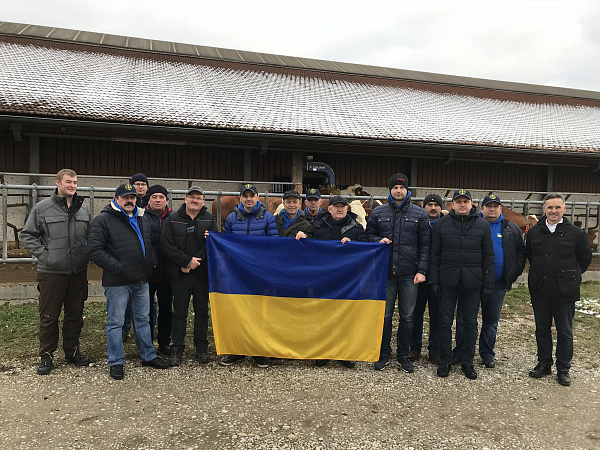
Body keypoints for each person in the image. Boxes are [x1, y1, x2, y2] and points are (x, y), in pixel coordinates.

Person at [87, 183, 169, 380]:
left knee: (143, 320)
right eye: (125, 197)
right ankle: (116, 361)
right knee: (115, 323)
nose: (130, 200)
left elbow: (147, 244)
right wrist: (118, 268)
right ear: (116, 199)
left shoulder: (140, 218)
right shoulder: (103, 220)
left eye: (132, 197)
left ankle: (148, 356)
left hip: (141, 280)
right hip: (118, 282)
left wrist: (151, 264)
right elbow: (94, 250)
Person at [21, 169, 91, 375]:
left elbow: (91, 234)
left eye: (75, 182)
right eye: (68, 182)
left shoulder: (83, 209)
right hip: (51, 272)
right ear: (58, 183)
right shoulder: (42, 209)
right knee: (49, 315)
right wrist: (46, 256)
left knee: (75, 313)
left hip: (77, 271)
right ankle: (47, 356)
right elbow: (28, 235)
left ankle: (71, 351)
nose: (72, 185)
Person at [365, 173, 430, 373]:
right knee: (384, 315)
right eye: (395, 188)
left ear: (407, 190)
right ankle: (383, 354)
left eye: (402, 188)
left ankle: (403, 355)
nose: (398, 191)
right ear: (390, 190)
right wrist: (378, 241)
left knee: (407, 316)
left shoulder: (419, 214)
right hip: (385, 273)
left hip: (410, 274)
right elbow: (369, 235)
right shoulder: (378, 212)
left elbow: (425, 245)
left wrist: (422, 270)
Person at [453, 194, 526, 369]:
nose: (492, 209)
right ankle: (461, 351)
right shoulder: (471, 224)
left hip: (497, 283)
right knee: (465, 319)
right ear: (481, 208)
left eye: (496, 206)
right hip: (472, 283)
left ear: (501, 209)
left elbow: (520, 253)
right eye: (488, 206)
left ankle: (487, 353)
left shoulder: (511, 228)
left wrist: (511, 273)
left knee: (491, 320)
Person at [526, 193, 591, 386]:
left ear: (564, 209)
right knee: (542, 329)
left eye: (557, 207)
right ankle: (544, 363)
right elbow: (530, 255)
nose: (553, 211)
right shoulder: (534, 232)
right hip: (540, 289)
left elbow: (585, 259)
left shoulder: (576, 234)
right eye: (549, 208)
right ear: (544, 210)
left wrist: (570, 275)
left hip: (565, 291)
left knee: (564, 331)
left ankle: (563, 368)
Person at [429, 189, 495, 380]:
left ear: (471, 203)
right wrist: (434, 280)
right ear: (452, 204)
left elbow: (488, 256)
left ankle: (467, 361)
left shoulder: (482, 226)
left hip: (472, 282)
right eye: (458, 201)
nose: (462, 205)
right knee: (444, 322)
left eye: (466, 201)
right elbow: (435, 255)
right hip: (447, 282)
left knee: (470, 323)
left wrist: (487, 283)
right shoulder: (442, 224)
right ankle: (445, 360)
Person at [220, 184, 278, 368]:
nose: (248, 199)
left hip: (260, 273)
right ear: (240, 199)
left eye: (252, 196)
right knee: (237, 311)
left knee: (261, 313)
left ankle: (259, 351)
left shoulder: (268, 218)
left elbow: (273, 245)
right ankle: (237, 350)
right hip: (237, 274)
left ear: (258, 197)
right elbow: (225, 244)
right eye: (245, 196)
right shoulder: (231, 218)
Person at [161, 186, 219, 366]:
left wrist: (195, 262)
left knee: (202, 312)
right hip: (180, 274)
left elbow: (213, 242)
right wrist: (185, 262)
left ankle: (201, 348)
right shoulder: (172, 219)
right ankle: (177, 348)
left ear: (203, 202)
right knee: (179, 312)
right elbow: (167, 245)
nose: (195, 200)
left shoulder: (209, 219)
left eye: (199, 198)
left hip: (201, 274)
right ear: (185, 199)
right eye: (192, 197)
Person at [312, 195, 367, 368]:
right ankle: (323, 351)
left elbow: (366, 248)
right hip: (324, 278)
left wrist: (354, 245)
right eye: (336, 206)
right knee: (323, 316)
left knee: (346, 316)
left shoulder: (356, 228)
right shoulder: (318, 226)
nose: (340, 209)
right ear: (329, 209)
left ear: (347, 208)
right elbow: (310, 245)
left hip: (347, 279)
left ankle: (345, 353)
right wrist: (303, 235)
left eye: (343, 206)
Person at [409, 193, 444, 365]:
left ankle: (435, 349)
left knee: (437, 314)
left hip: (439, 277)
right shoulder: (417, 224)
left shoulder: (447, 224)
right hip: (419, 275)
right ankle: (414, 347)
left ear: (441, 207)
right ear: (424, 207)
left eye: (436, 205)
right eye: (429, 204)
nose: (432, 207)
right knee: (417, 313)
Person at [144, 184, 173, 357]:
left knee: (166, 310)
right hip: (147, 274)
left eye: (161, 197)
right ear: (148, 200)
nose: (157, 200)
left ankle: (164, 342)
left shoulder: (174, 217)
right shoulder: (140, 217)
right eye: (154, 197)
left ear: (166, 200)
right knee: (145, 311)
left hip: (167, 273)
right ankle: (147, 343)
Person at [122, 173, 150, 339]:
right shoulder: (124, 205)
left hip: (145, 263)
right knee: (125, 300)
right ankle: (124, 329)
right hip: (127, 261)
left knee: (147, 302)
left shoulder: (151, 204)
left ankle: (147, 331)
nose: (140, 187)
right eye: (137, 184)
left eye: (143, 184)